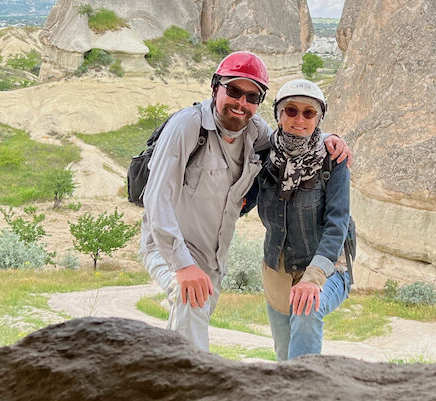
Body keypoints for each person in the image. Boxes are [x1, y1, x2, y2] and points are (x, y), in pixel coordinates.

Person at [138, 52, 350, 351]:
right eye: (234, 91)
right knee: (189, 303)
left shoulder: (256, 133)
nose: (241, 102)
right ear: (215, 89)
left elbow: (295, 140)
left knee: (188, 324)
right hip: (172, 246)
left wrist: (329, 138)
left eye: (251, 96)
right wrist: (183, 266)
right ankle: (192, 388)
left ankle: (171, 382)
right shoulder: (186, 127)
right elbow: (156, 201)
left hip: (213, 256)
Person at [242, 79, 351, 360]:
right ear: (278, 115)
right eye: (291, 110)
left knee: (307, 309)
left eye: (308, 113)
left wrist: (313, 279)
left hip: (326, 269)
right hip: (276, 271)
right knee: (284, 358)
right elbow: (244, 198)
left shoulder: (332, 160)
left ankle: (307, 395)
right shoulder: (265, 156)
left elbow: (337, 223)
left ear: (319, 119)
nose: (299, 119)